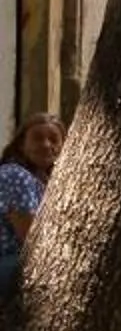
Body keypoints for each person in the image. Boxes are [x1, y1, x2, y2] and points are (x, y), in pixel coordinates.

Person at [0, 114, 63, 296]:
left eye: (53, 139)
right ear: (21, 145)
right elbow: (31, 239)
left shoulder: (41, 181)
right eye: (37, 138)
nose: (46, 145)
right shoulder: (16, 175)